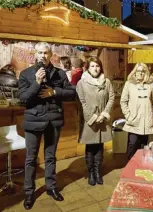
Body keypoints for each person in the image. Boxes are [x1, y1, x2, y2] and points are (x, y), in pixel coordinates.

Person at [18, 42, 76, 210]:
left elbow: (72, 93)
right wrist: (36, 83)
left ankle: (51, 187)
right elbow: (23, 99)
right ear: (35, 54)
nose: (43, 56)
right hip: (33, 121)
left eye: (46, 53)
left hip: (53, 120)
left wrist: (55, 92)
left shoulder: (59, 74)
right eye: (40, 53)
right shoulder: (26, 74)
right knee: (31, 159)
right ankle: (29, 192)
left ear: (51, 55)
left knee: (50, 157)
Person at [76, 57, 115, 186]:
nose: (95, 68)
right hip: (89, 121)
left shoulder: (106, 82)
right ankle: (91, 173)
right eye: (92, 66)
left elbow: (111, 97)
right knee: (90, 147)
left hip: (102, 119)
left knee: (100, 147)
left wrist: (104, 114)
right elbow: (81, 102)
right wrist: (91, 117)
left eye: (97, 66)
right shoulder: (82, 83)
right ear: (88, 68)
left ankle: (98, 172)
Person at [120, 63, 153, 160]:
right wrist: (128, 116)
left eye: (143, 71)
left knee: (144, 146)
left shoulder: (150, 85)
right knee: (132, 144)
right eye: (138, 71)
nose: (140, 73)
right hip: (134, 121)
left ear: (146, 73)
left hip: (147, 121)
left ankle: (141, 168)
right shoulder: (129, 84)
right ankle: (130, 167)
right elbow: (123, 101)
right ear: (135, 72)